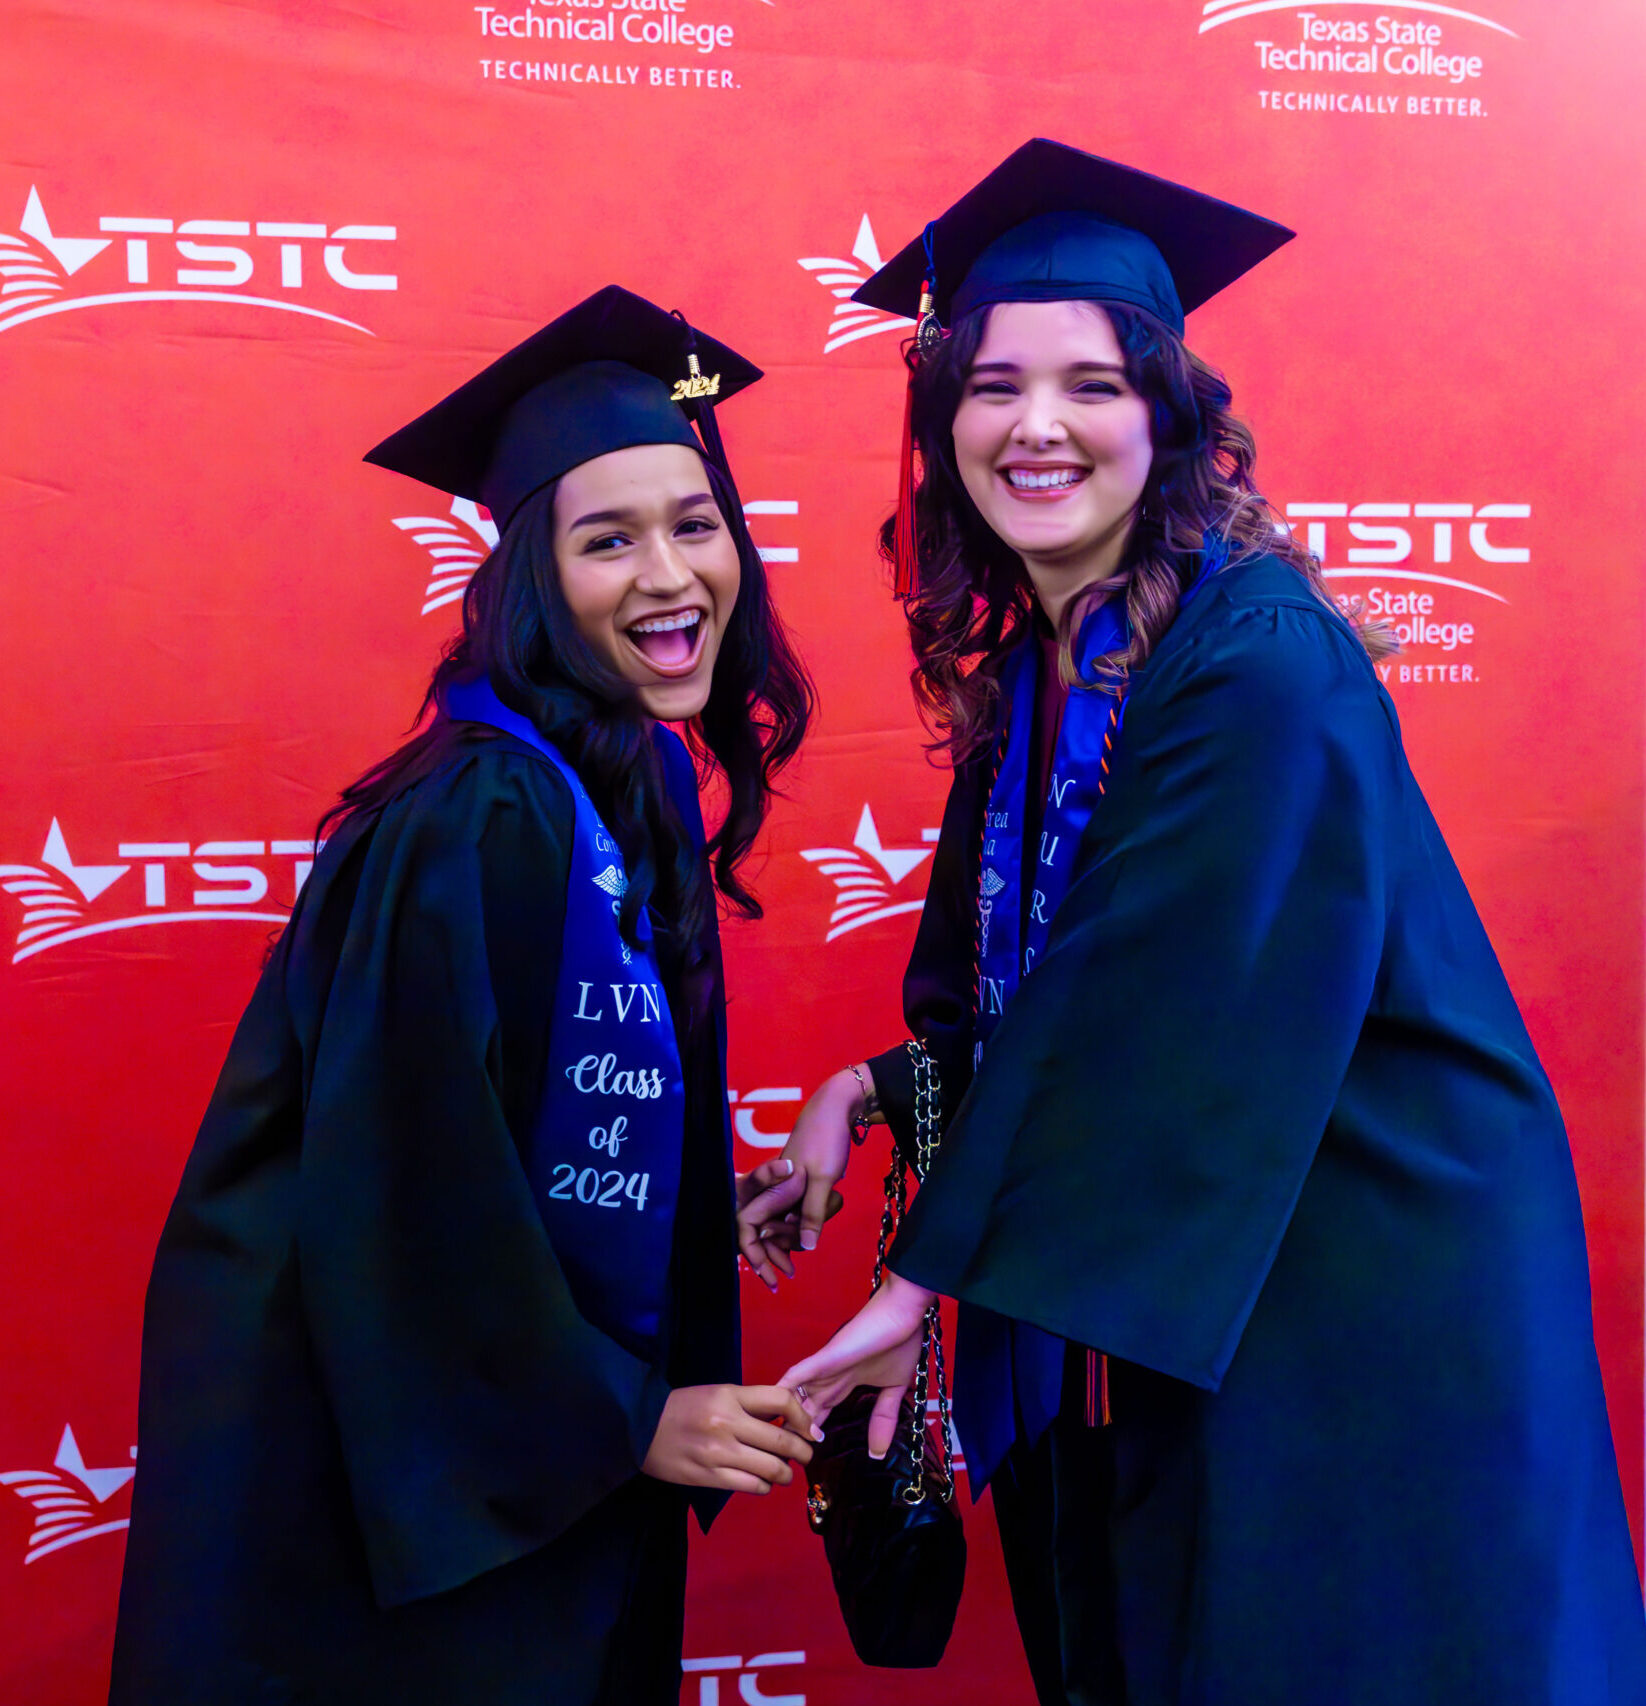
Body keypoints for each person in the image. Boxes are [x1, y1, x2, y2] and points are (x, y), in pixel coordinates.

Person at [743, 142, 1646, 1704]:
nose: (1034, 426)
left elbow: (1161, 996)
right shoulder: (1039, 669)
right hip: (1194, 1236)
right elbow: (1056, 973)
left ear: (1166, 416)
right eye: (991, 384)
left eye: (1090, 383)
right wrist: (879, 1090)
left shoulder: (1255, 658)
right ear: (938, 419)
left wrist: (917, 1285)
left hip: (1349, 1269)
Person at [110, 285, 819, 1706]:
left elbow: (525, 1113)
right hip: (377, 1453)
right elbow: (404, 1175)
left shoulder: (624, 777)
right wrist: (625, 1417)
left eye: (693, 524)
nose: (669, 573)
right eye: (604, 539)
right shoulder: (483, 806)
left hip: (488, 1434)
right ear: (529, 580)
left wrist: (682, 1200)